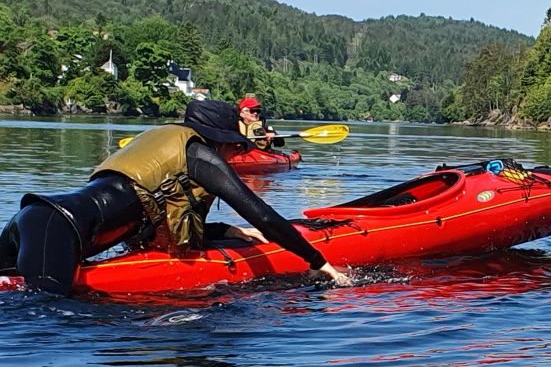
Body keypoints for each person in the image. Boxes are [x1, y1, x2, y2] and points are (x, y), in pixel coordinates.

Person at [0, 100, 349, 295]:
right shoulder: (201, 156)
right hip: (59, 231)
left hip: (34, 219)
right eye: (233, 146)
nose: (233, 155)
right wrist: (320, 263)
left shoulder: (158, 139)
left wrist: (225, 230)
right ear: (222, 140)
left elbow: (151, 216)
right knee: (41, 310)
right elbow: (264, 216)